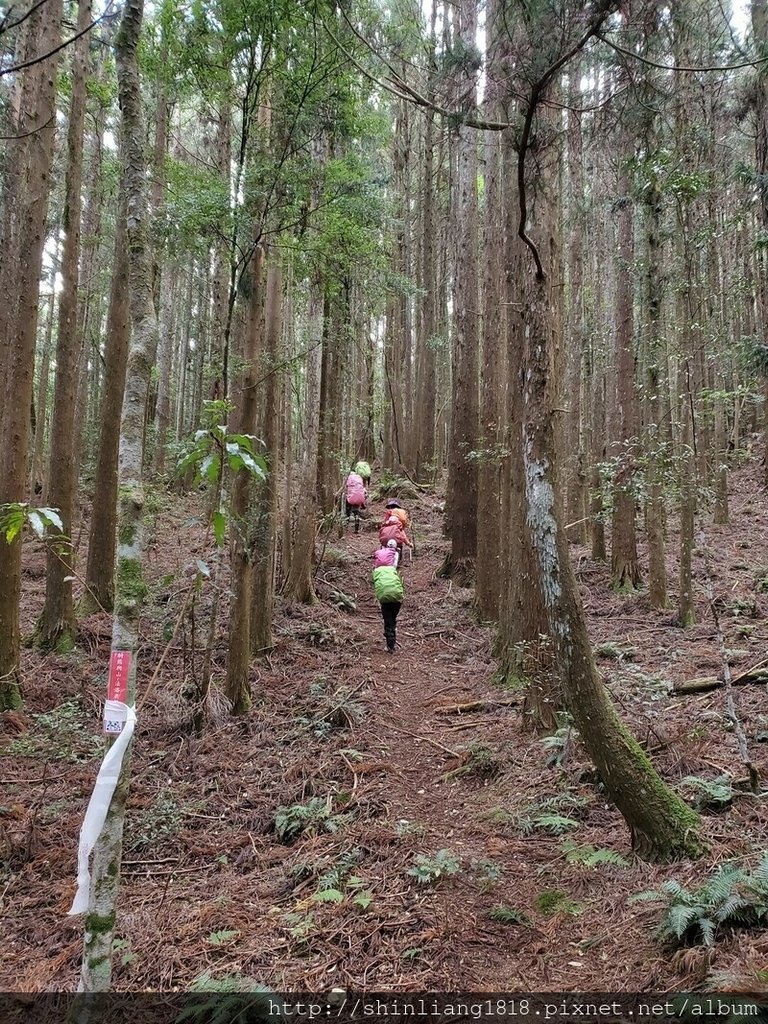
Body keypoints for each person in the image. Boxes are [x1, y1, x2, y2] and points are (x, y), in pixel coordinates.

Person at [372, 562, 404, 653]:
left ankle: (390, 646)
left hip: (385, 599)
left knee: (388, 621)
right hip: (397, 598)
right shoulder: (392, 570)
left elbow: (375, 583)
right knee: (393, 619)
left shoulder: (376, 571)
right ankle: (392, 640)